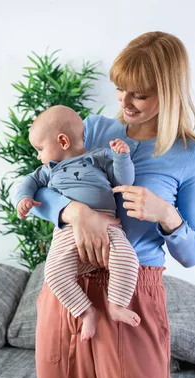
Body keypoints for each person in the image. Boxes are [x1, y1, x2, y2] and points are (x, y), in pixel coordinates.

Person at [31, 31, 195, 378]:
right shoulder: (96, 129)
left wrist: (167, 215)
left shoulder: (193, 154)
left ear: (170, 92)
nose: (124, 103)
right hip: (69, 285)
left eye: (139, 94)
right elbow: (40, 187)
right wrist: (74, 212)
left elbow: (193, 254)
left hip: (132, 291)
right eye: (120, 89)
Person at [15, 105, 141, 344]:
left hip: (108, 225)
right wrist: (24, 199)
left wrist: (122, 158)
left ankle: (116, 305)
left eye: (40, 149)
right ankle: (86, 312)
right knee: (53, 273)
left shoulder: (99, 157)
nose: (39, 156)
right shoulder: (48, 170)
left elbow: (124, 181)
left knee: (127, 259)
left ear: (62, 141)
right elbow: (27, 184)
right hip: (67, 231)